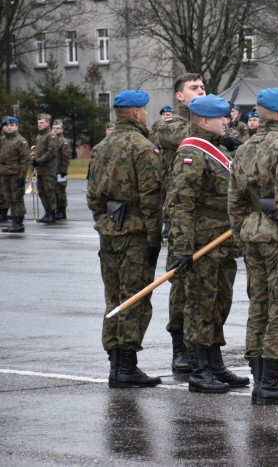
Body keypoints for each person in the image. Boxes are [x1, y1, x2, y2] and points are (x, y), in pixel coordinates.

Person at [228, 88, 278, 405]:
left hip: (253, 234)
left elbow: (234, 200)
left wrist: (240, 234)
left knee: (258, 305)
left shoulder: (245, 147)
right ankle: (271, 381)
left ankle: (260, 378)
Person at [167, 94, 249, 393]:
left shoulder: (215, 149)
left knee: (219, 303)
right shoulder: (192, 153)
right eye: (221, 118)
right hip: (201, 242)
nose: (227, 121)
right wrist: (182, 247)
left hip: (221, 241)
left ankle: (215, 363)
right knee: (200, 305)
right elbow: (180, 204)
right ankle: (200, 370)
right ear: (204, 121)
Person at [86, 89, 163, 388]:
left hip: (110, 230)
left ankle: (116, 365)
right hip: (135, 233)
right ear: (135, 113)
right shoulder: (142, 148)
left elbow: (93, 195)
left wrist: (103, 222)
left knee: (113, 297)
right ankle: (127, 366)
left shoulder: (100, 147)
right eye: (144, 110)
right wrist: (155, 239)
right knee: (135, 298)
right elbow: (151, 199)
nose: (146, 114)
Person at [153, 73, 206, 374]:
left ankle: (205, 348)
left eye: (203, 87)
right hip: (182, 217)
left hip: (211, 218)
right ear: (180, 97)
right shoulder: (169, 125)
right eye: (194, 89)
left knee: (210, 286)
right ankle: (180, 348)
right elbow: (190, 135)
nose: (201, 91)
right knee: (182, 284)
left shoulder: (214, 124)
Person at [0, 117, 30, 233]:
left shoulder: (20, 141)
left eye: (12, 125)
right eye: (6, 125)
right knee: (9, 199)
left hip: (15, 175)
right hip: (4, 174)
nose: (9, 127)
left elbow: (25, 160)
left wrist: (22, 176)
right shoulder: (3, 140)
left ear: (17, 126)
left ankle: (19, 223)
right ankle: (14, 222)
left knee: (17, 199)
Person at [32, 113, 59, 224]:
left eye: (42, 122)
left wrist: (38, 161)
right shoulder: (39, 136)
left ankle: (52, 213)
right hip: (40, 170)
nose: (39, 124)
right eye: (38, 123)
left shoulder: (51, 135)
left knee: (49, 192)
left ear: (48, 123)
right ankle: (47, 212)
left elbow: (51, 152)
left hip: (49, 169)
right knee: (42, 192)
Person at [52, 120, 72, 220]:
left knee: (60, 192)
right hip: (51, 171)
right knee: (52, 192)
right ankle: (54, 210)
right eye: (54, 128)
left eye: (57, 128)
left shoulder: (64, 141)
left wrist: (64, 170)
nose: (55, 130)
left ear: (62, 129)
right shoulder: (51, 140)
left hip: (60, 171)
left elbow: (66, 157)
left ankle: (61, 211)